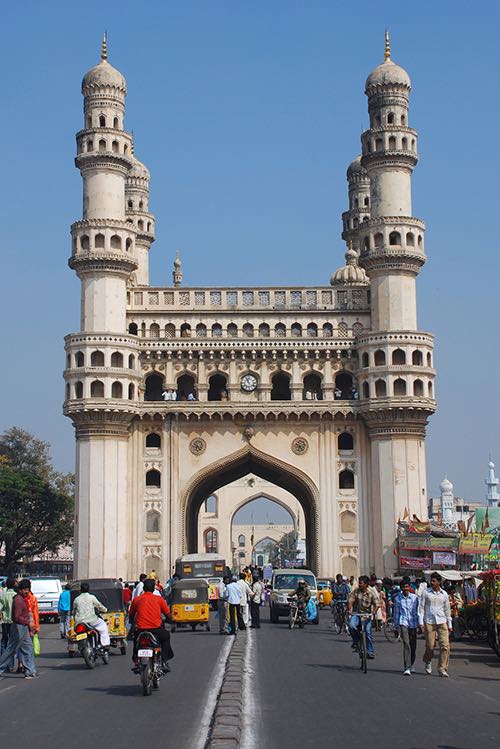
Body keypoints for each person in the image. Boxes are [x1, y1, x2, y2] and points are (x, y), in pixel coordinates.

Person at [128, 579, 173, 672]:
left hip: (140, 629)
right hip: (156, 629)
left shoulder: (137, 599)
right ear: (153, 589)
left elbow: (131, 615)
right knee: (166, 637)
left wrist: (132, 622)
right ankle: (164, 661)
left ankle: (136, 660)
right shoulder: (159, 599)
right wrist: (170, 620)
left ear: (144, 588)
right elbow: (168, 615)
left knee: (136, 642)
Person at [0, 579, 39, 678]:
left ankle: (30, 671)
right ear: (20, 590)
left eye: (28, 589)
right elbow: (16, 617)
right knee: (11, 649)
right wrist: (28, 623)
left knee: (28, 648)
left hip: (23, 627)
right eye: (25, 589)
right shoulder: (18, 600)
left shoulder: (22, 599)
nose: (27, 591)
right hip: (18, 628)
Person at [418, 572, 452, 678]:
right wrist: (420, 622)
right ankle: (428, 660)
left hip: (442, 621)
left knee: (445, 646)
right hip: (429, 622)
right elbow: (421, 607)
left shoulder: (444, 594)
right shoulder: (426, 592)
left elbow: (447, 609)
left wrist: (449, 623)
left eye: (434, 581)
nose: (431, 583)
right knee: (430, 646)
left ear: (439, 582)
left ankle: (442, 668)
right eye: (431, 581)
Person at [348, 575, 379, 659]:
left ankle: (370, 651)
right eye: (359, 583)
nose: (359, 584)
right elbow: (350, 600)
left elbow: (377, 604)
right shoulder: (356, 591)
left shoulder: (371, 593)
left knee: (368, 632)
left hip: (366, 615)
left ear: (366, 584)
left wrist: (373, 612)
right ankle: (357, 641)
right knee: (351, 626)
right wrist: (350, 609)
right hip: (356, 614)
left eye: (361, 583)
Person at [72, 582, 110, 649]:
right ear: (88, 589)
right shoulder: (92, 597)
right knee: (103, 626)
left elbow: (74, 612)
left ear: (80, 590)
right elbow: (99, 605)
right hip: (92, 621)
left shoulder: (76, 599)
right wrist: (105, 610)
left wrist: (76, 620)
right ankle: (105, 644)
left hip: (80, 622)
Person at [393, 576, 419, 675]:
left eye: (407, 587)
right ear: (401, 588)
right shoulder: (398, 599)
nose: (405, 589)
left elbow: (418, 611)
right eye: (404, 587)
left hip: (413, 623)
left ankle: (411, 664)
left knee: (413, 645)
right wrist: (396, 626)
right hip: (403, 622)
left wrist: (420, 624)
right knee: (406, 644)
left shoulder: (415, 598)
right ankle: (407, 666)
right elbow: (396, 613)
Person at [0, 578, 17, 672]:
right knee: (12, 643)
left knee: (4, 642)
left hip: (5, 622)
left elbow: (0, 607)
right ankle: (10, 665)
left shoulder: (3, 595)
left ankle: (3, 663)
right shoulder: (16, 595)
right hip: (13, 622)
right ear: (14, 584)